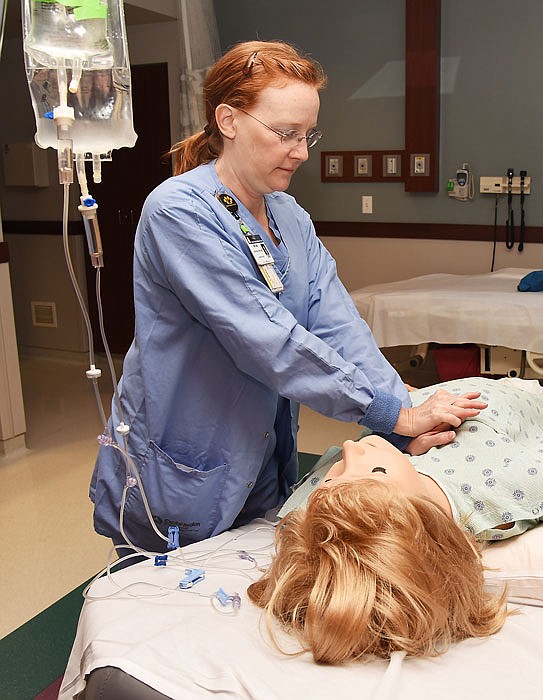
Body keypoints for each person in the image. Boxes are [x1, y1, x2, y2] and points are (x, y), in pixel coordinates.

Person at [89, 40, 484, 554]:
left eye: (307, 134)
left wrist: (404, 412)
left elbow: (339, 325)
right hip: (188, 459)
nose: (301, 152)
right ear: (228, 120)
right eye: (285, 134)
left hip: (264, 455)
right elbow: (267, 340)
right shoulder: (178, 212)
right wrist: (390, 414)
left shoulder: (289, 216)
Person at [247, 375, 543, 664]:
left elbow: (302, 516)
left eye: (334, 475)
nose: (349, 447)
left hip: (444, 402)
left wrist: (403, 447)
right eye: (375, 474)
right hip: (530, 419)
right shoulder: (503, 494)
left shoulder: (333, 510)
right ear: (416, 519)